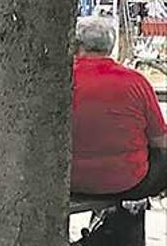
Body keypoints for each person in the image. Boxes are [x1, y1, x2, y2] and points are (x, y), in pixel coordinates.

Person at [71, 16, 167, 199]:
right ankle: (128, 217)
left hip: (69, 180)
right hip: (127, 181)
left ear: (76, 45)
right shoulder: (136, 81)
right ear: (111, 45)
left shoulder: (61, 81)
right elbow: (160, 140)